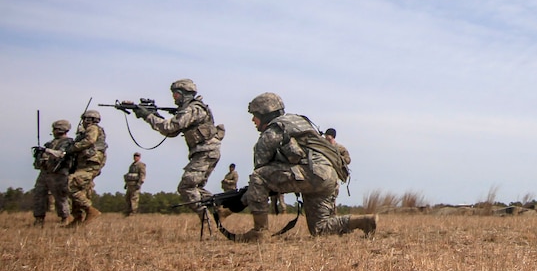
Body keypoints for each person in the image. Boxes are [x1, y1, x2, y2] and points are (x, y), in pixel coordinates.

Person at [240, 92, 375, 240]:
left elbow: (260, 170)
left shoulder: (273, 131)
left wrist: (244, 199)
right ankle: (364, 221)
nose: (253, 120)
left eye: (255, 115)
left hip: (313, 173)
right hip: (328, 176)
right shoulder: (297, 121)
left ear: (265, 114)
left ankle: (259, 232)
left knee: (259, 176)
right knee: (320, 228)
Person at [133, 79, 223, 213]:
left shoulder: (192, 109)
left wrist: (148, 116)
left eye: (176, 95)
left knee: (186, 187)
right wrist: (155, 115)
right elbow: (172, 132)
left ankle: (207, 217)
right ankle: (220, 208)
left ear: (184, 94)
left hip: (206, 152)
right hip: (207, 152)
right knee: (196, 189)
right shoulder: (191, 109)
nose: (174, 99)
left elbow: (169, 127)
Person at [67, 109, 108, 226]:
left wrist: (73, 147)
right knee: (82, 189)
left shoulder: (92, 128)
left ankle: (90, 210)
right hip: (84, 164)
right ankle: (78, 218)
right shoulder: (87, 131)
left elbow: (90, 140)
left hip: (89, 164)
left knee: (71, 184)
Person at [31, 119, 75, 225]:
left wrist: (46, 151)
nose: (54, 131)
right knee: (39, 194)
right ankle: (39, 219)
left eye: (56, 129)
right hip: (46, 172)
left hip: (59, 173)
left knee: (60, 196)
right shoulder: (50, 143)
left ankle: (65, 218)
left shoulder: (68, 142)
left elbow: (61, 154)